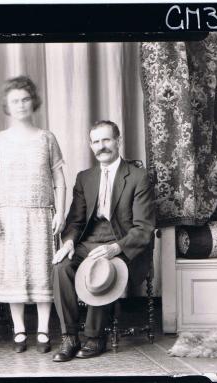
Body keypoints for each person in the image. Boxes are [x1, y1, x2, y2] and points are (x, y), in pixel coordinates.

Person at [51, 120, 156, 362]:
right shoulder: (84, 178)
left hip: (123, 244)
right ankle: (69, 337)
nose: (102, 146)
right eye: (96, 141)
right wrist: (67, 243)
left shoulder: (138, 177)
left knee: (102, 269)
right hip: (88, 242)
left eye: (107, 140)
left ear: (118, 141)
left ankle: (94, 336)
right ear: (90, 145)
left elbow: (144, 228)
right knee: (60, 267)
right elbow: (75, 221)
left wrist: (115, 247)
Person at [0, 75, 67, 353]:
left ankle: (43, 330)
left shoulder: (47, 138)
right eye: (15, 101)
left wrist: (61, 212)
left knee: (43, 271)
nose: (20, 105)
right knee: (13, 272)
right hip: (9, 216)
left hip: (42, 214)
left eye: (25, 99)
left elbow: (59, 180)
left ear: (34, 102)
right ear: (7, 105)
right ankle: (19, 331)